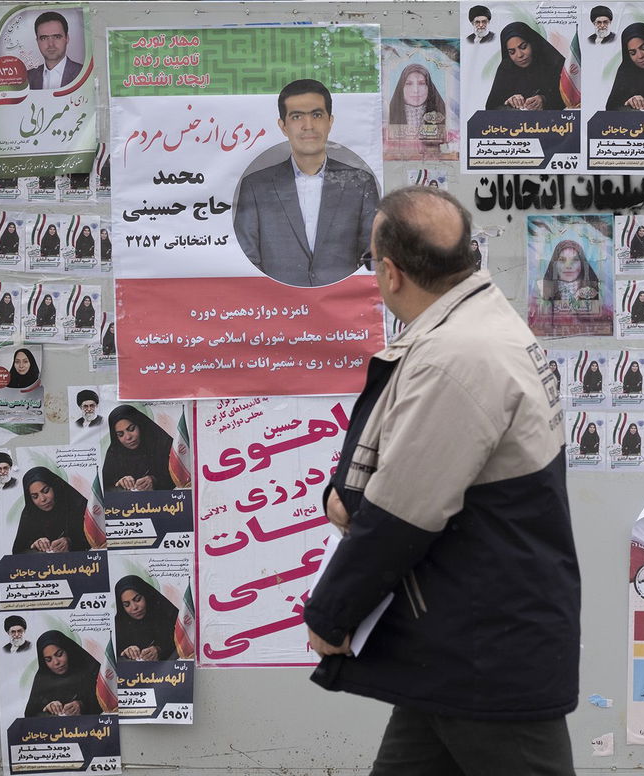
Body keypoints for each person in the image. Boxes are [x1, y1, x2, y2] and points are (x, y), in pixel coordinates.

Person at [303, 187, 580, 775]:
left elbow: (402, 512)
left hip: (488, 649)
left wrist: (329, 615)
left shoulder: (460, 356)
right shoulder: (478, 320)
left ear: (391, 272)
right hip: (455, 640)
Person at [234, 79, 379, 288]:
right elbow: (246, 260)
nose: (308, 125)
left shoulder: (360, 183)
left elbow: (372, 255)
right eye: (296, 116)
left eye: (317, 115)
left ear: (330, 121)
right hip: (278, 307)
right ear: (283, 126)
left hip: (342, 309)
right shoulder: (256, 186)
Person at [485, 22, 565, 111]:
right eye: (512, 52)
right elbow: (491, 109)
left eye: (523, 47)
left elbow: (571, 98)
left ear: (533, 43)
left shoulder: (553, 62)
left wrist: (545, 100)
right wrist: (508, 102)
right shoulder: (506, 69)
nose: (519, 55)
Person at [13, 467, 91, 555]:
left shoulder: (77, 504)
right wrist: (34, 545)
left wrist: (70, 542)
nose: (42, 499)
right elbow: (18, 553)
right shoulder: (30, 514)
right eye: (35, 496)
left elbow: (96, 539)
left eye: (46, 491)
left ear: (55, 486)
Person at [24, 631, 101, 718]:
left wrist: (82, 705)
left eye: (59, 654)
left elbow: (108, 703)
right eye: (48, 660)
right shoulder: (42, 680)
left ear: (68, 650)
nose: (56, 662)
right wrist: (47, 708)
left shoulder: (90, 669)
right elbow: (30, 716)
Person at [102, 405, 177, 493]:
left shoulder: (162, 443)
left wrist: (155, 481)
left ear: (140, 425)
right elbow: (105, 488)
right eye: (120, 434)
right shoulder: (114, 453)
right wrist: (119, 484)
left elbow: (180, 478)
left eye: (131, 429)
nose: (128, 437)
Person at [387, 64, 447, 157]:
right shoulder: (389, 114)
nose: (416, 90)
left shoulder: (441, 114)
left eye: (422, 83)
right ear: (401, 87)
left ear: (429, 87)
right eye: (409, 84)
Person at [114, 575, 179, 661]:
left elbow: (178, 644)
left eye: (137, 599)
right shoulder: (118, 626)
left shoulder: (165, 614)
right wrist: (125, 653)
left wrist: (159, 650)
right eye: (127, 604)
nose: (134, 607)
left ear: (146, 595)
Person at [27, 12, 83, 90]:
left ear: (67, 38)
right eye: (44, 38)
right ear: (37, 41)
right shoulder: (27, 77)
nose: (51, 44)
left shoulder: (83, 73)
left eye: (57, 37)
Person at [540, 239, 600, 304]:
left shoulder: (594, 292)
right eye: (562, 260)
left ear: (582, 264)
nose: (568, 266)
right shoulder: (543, 291)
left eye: (574, 260)